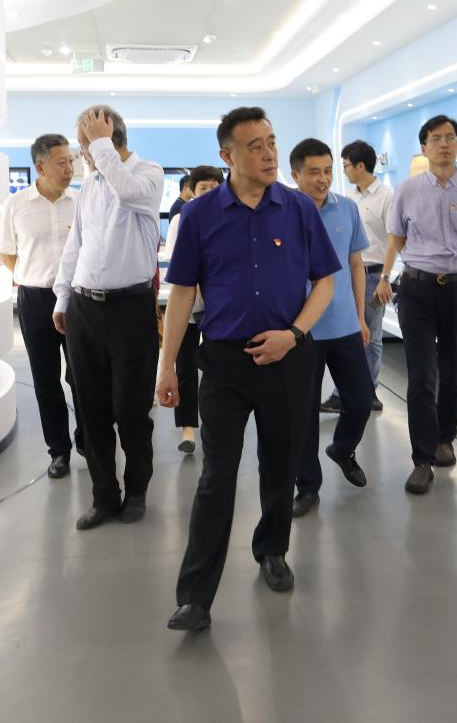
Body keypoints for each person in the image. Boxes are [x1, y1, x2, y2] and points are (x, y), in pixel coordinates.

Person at [158, 106, 340, 632]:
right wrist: (166, 367)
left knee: (280, 464)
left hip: (288, 356)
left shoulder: (298, 209)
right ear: (227, 155)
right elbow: (182, 294)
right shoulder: (199, 215)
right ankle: (195, 597)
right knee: (217, 476)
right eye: (255, 146)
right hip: (223, 360)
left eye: (271, 142)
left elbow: (324, 282)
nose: (268, 154)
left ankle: (272, 550)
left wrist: (294, 334)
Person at [375, 114, 457, 495]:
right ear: (424, 147)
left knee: (453, 371)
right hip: (417, 289)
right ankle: (422, 459)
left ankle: (446, 438)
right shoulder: (406, 190)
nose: (444, 144)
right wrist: (384, 276)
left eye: (450, 137)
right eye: (436, 138)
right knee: (421, 376)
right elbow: (396, 239)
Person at [52, 106, 164, 530]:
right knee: (91, 409)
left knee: (131, 411)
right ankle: (104, 496)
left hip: (130, 309)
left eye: (84, 143)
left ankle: (136, 492)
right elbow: (76, 245)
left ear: (107, 137)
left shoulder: (147, 174)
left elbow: (130, 195)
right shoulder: (90, 184)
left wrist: (100, 144)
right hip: (84, 309)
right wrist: (62, 297)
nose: (80, 152)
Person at [289, 138, 374, 518]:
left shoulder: (348, 208)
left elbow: (356, 264)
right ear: (296, 175)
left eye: (327, 171)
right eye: (314, 172)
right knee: (304, 414)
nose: (323, 179)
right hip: (301, 329)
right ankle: (308, 487)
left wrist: (360, 316)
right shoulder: (283, 211)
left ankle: (342, 449)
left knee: (360, 400)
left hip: (344, 326)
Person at [0, 134, 86, 478]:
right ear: (40, 166)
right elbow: (7, 252)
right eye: (62, 162)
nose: (70, 168)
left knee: (82, 375)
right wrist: (31, 276)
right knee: (46, 379)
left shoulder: (81, 201)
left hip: (77, 298)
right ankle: (58, 451)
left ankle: (88, 440)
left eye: (72, 161)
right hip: (35, 300)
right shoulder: (16, 205)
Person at [321, 139, 392, 414]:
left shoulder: (386, 196)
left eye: (346, 165)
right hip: (349, 273)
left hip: (373, 275)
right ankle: (349, 391)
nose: (344, 171)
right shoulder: (349, 199)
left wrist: (386, 278)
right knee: (349, 333)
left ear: (360, 165)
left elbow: (395, 239)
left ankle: (367, 391)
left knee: (370, 336)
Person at [165, 164, 226, 453]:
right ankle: (188, 428)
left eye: (215, 187)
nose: (209, 192)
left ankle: (218, 424)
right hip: (189, 310)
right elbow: (178, 266)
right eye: (204, 188)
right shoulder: (182, 219)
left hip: (220, 310)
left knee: (218, 368)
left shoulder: (231, 218)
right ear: (192, 190)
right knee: (186, 366)